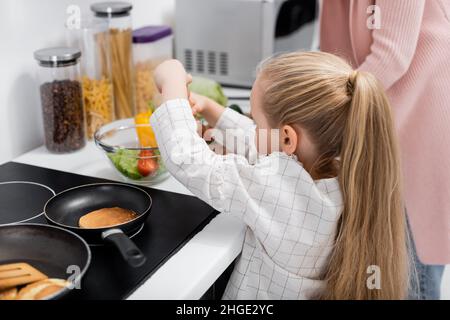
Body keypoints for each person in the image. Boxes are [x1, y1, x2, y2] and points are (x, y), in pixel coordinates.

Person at [150, 52, 409, 299]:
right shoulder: (347, 175)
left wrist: (172, 82)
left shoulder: (275, 186)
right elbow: (264, 142)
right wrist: (211, 109)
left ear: (288, 138)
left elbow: (189, 160)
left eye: (256, 120)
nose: (254, 127)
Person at [320, 0, 450, 299]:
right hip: (377, 122)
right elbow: (332, 58)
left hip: (422, 119)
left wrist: (319, 117)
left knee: (412, 273)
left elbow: (391, 56)